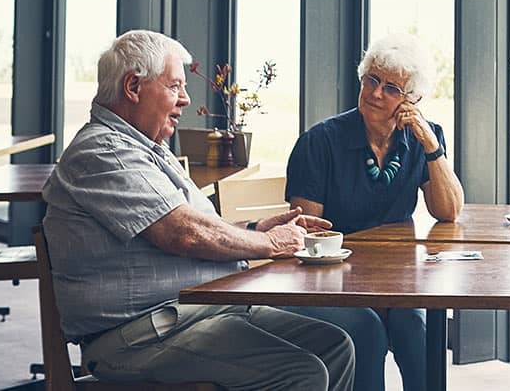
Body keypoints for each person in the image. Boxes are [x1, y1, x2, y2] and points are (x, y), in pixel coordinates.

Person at [42, 29, 356, 390]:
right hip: (138, 336)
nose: (186, 100)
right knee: (300, 372)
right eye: (175, 86)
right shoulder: (104, 152)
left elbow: (196, 225)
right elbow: (185, 232)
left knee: (335, 347)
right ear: (133, 86)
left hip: (194, 312)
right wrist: (270, 243)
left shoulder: (147, 148)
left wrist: (254, 229)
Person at [283, 33, 462, 391]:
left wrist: (430, 145)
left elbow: (450, 211)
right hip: (331, 281)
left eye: (392, 88)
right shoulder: (320, 142)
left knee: (417, 327)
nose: (376, 93)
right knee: (366, 329)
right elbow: (304, 236)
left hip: (396, 280)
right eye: (371, 80)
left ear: (414, 100)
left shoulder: (423, 138)